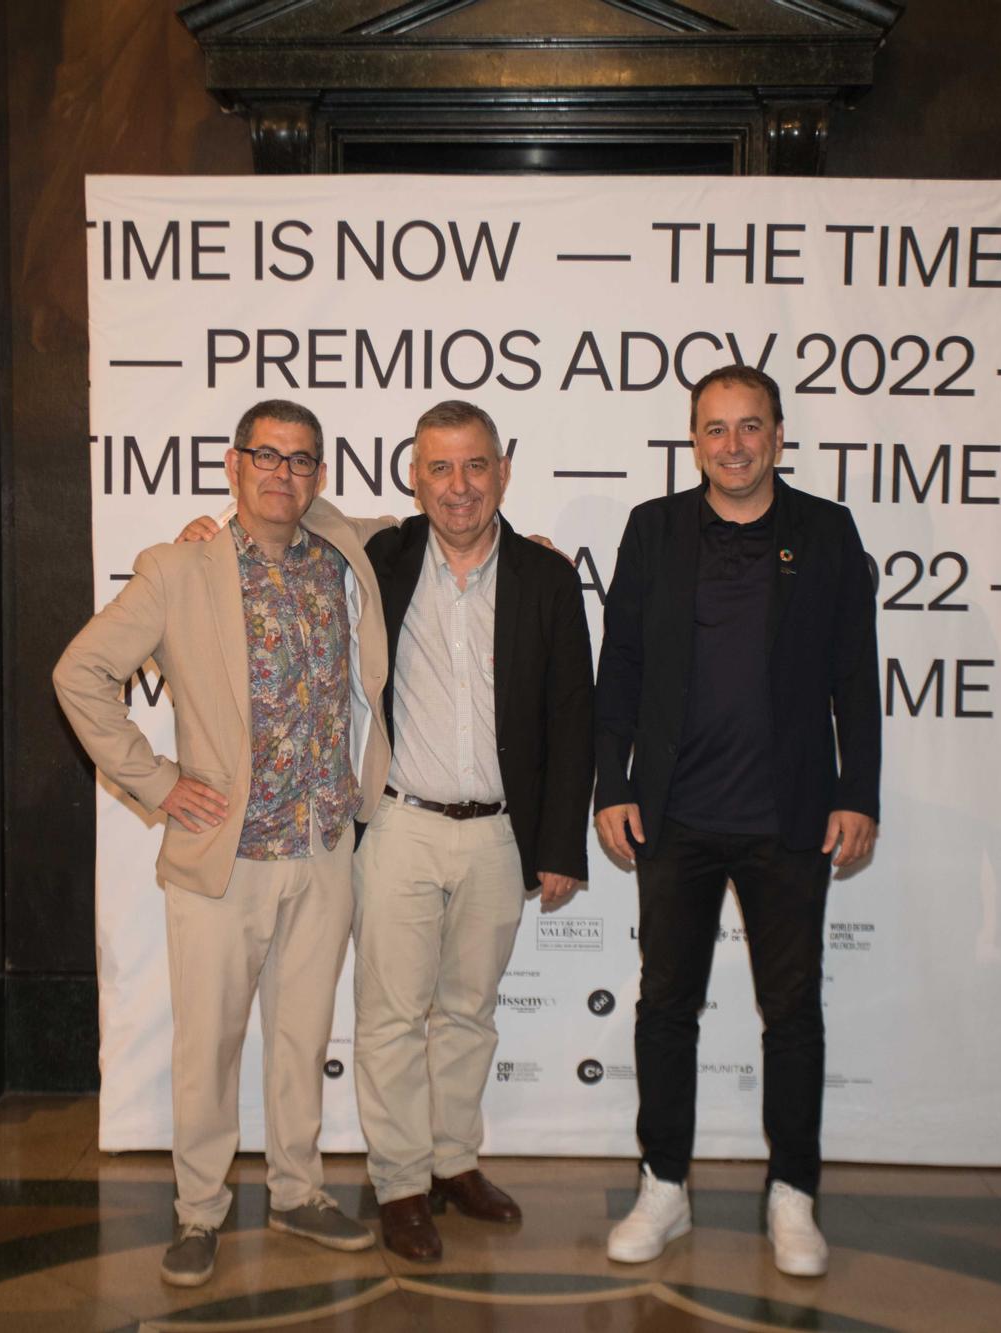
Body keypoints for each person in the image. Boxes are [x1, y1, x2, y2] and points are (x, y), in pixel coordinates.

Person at [53, 399, 396, 1288]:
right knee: (206, 1045)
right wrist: (159, 783)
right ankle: (199, 1210)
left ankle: (297, 1189)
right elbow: (80, 673)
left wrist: (531, 547)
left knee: (301, 1036)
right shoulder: (179, 567)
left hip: (325, 849)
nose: (284, 474)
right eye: (268, 457)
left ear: (319, 474)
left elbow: (431, 524)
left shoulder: (337, 550)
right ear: (234, 464)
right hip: (224, 857)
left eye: (302, 460)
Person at [592, 364, 879, 1277]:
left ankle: (793, 1193)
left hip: (790, 817)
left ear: (780, 436)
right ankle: (664, 1186)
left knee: (791, 1011)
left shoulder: (827, 533)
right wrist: (612, 785)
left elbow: (854, 678)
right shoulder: (654, 529)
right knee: (666, 1006)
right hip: (674, 816)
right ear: (694, 441)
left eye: (750, 426)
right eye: (715, 429)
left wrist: (858, 792)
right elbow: (622, 668)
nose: (733, 445)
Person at [353, 401, 594, 1260]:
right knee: (389, 1015)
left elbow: (574, 718)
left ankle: (454, 1162)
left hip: (500, 836)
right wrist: (215, 520)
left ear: (503, 471)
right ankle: (400, 1182)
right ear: (413, 479)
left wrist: (560, 846)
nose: (460, 486)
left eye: (476, 465)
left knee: (468, 1011)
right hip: (400, 825)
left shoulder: (546, 579)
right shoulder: (379, 558)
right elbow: (286, 514)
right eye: (440, 468)